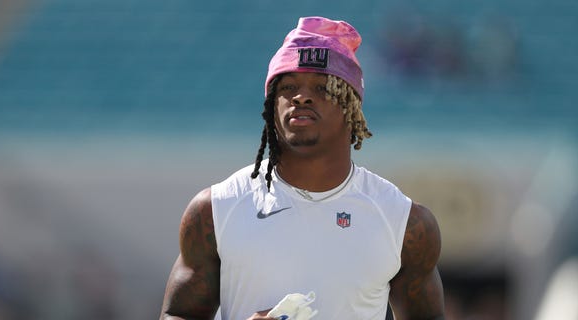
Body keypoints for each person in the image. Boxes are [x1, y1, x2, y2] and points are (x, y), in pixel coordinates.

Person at [160, 16, 445, 320]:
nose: (301, 96)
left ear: (351, 107)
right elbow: (177, 314)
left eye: (323, 87)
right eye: (288, 86)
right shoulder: (216, 209)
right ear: (272, 104)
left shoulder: (403, 223)